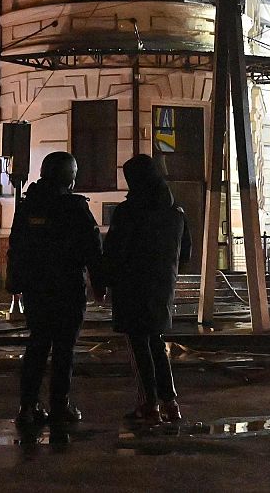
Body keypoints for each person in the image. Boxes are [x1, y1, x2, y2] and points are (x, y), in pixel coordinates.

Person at [6, 151, 103, 426]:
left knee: (37, 345)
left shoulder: (28, 205)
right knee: (64, 349)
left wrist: (15, 284)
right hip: (68, 290)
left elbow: (17, 247)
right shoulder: (74, 208)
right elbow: (92, 248)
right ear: (70, 177)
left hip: (37, 289)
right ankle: (59, 405)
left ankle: (28, 406)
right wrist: (99, 283)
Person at [103, 154, 191, 424]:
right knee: (156, 342)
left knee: (139, 345)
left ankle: (149, 404)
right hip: (162, 286)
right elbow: (185, 252)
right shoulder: (176, 211)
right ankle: (170, 403)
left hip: (132, 287)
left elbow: (114, 250)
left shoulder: (129, 211)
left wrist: (105, 280)